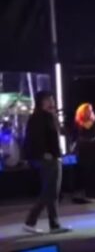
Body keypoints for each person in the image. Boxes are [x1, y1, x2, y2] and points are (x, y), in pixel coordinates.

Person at [22, 90, 70, 234]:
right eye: (48, 99)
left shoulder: (50, 116)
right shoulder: (38, 118)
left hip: (54, 157)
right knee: (49, 192)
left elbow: (60, 132)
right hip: (47, 158)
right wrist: (44, 153)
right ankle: (32, 222)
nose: (51, 101)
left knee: (51, 192)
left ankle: (52, 224)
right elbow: (36, 139)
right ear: (41, 102)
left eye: (52, 99)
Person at [73, 103, 95, 200]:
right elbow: (75, 136)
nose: (89, 112)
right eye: (87, 110)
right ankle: (88, 191)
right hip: (84, 148)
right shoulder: (78, 123)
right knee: (87, 170)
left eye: (90, 110)